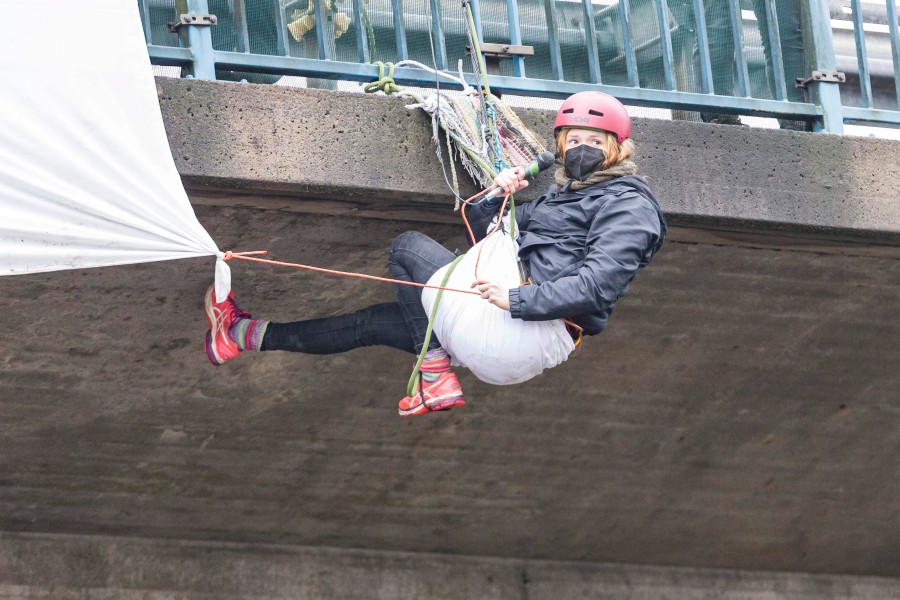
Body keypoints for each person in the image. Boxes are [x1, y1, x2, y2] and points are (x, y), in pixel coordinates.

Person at [203, 91, 667, 416]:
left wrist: (516, 300)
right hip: (499, 336)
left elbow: (599, 284)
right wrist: (497, 195)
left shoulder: (630, 204)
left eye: (595, 141)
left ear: (617, 148)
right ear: (562, 145)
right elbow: (489, 240)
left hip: (523, 327)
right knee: (376, 322)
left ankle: (435, 371)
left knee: (407, 248)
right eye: (575, 140)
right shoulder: (556, 199)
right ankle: (240, 335)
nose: (582, 149)